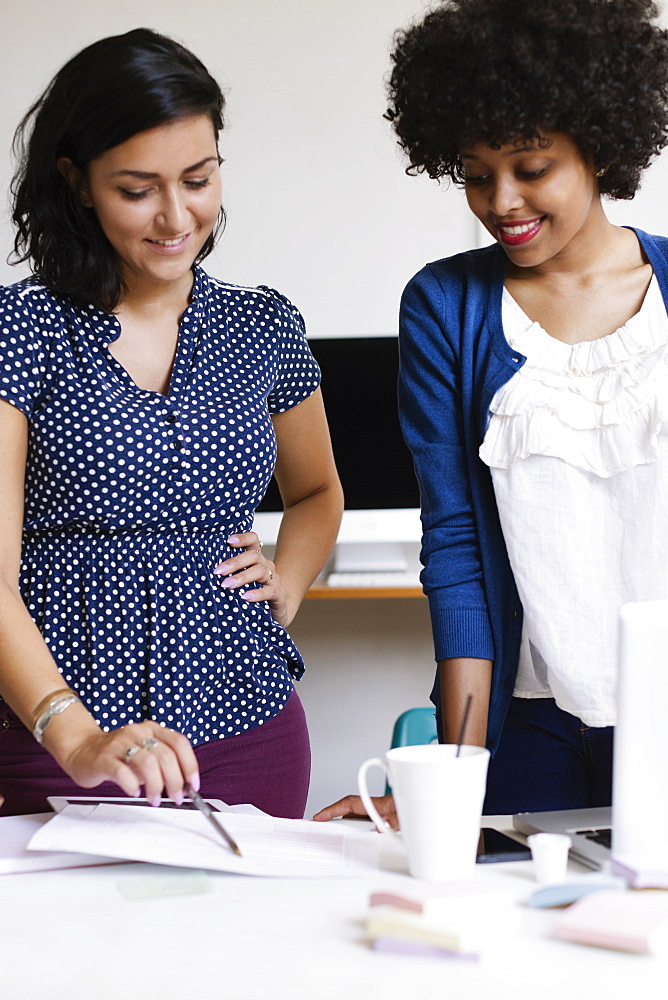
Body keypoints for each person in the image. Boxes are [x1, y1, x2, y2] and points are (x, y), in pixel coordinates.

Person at [315, 0, 668, 827]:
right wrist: (452, 773)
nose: (500, 200)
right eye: (476, 173)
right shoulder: (446, 306)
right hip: (529, 721)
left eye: (532, 167)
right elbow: (459, 552)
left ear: (602, 147)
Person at [0, 28, 343, 818]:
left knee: (250, 943)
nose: (175, 216)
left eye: (198, 178)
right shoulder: (22, 332)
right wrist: (75, 735)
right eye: (136, 188)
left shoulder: (264, 326)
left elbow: (319, 490)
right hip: (59, 742)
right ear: (77, 182)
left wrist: (286, 582)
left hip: (250, 729)